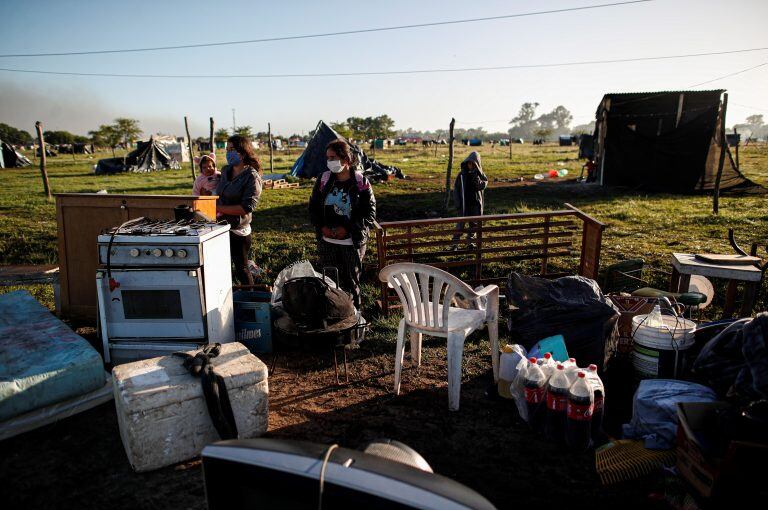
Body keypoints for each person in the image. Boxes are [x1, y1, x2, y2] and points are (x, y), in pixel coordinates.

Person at [309, 139, 376, 308]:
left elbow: (369, 213)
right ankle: (334, 315)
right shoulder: (323, 179)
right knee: (330, 284)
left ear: (345, 159)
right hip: (327, 241)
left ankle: (354, 316)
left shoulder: (361, 182)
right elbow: (313, 207)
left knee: (351, 283)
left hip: (351, 242)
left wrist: (347, 229)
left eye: (333, 158)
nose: (329, 162)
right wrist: (321, 227)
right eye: (328, 158)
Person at [216, 135, 262, 286]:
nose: (228, 153)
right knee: (220, 267)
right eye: (227, 149)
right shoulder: (225, 170)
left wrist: (218, 208)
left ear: (242, 152)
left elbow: (246, 207)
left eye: (232, 150)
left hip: (238, 230)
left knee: (241, 268)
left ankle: (250, 296)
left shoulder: (251, 176)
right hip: (220, 226)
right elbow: (219, 193)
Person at [452, 151, 488, 248]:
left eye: (473, 163)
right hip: (464, 204)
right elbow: (456, 190)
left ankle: (470, 242)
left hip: (475, 204)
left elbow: (481, 186)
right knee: (460, 224)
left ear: (477, 164)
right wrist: (458, 203)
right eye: (469, 163)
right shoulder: (461, 175)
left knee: (474, 225)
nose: (470, 165)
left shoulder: (481, 175)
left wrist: (475, 176)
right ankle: (455, 243)